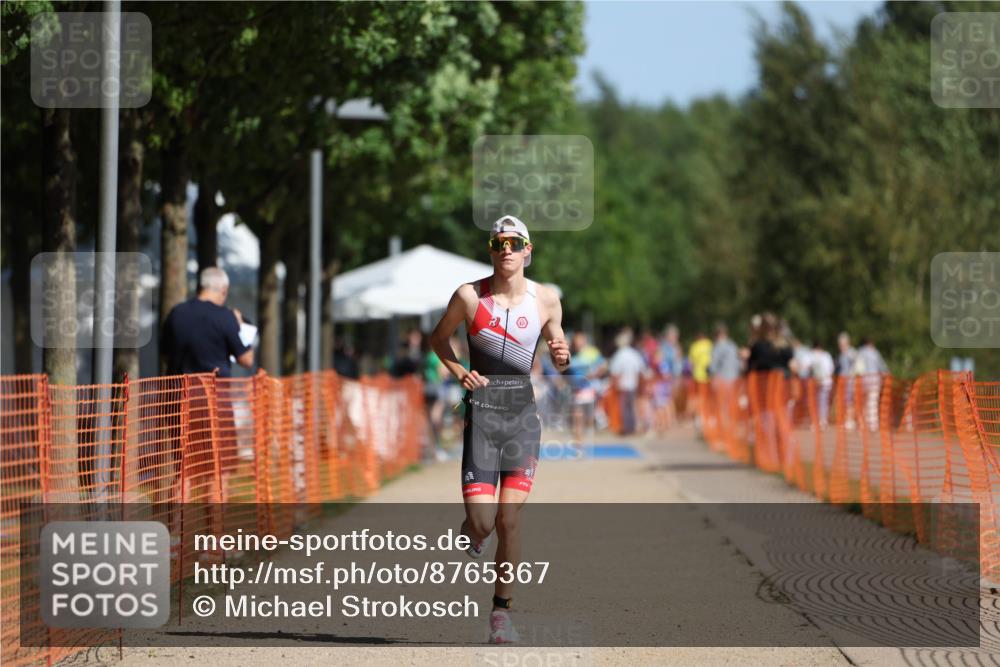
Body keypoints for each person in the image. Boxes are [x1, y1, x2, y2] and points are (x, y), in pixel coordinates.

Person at [429, 214, 570, 644]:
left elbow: (558, 345)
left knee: (509, 519)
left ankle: (501, 615)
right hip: (483, 418)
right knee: (483, 523)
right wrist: (460, 372)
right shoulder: (469, 296)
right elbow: (438, 339)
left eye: (514, 243)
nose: (506, 250)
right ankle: (473, 535)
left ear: (527, 250)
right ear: (490, 250)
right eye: (498, 243)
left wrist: (561, 356)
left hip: (522, 419)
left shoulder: (546, 299)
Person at [608, 327, 647, 435]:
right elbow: (641, 370)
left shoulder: (619, 355)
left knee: (624, 408)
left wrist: (615, 384)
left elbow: (615, 372)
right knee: (632, 407)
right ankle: (633, 427)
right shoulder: (634, 354)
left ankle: (627, 427)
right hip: (633, 384)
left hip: (623, 385)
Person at [809, 341, 835, 428]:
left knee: (819, 401)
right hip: (824, 382)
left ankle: (820, 420)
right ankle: (822, 420)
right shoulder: (826, 355)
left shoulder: (814, 355)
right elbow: (831, 369)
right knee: (823, 401)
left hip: (821, 382)